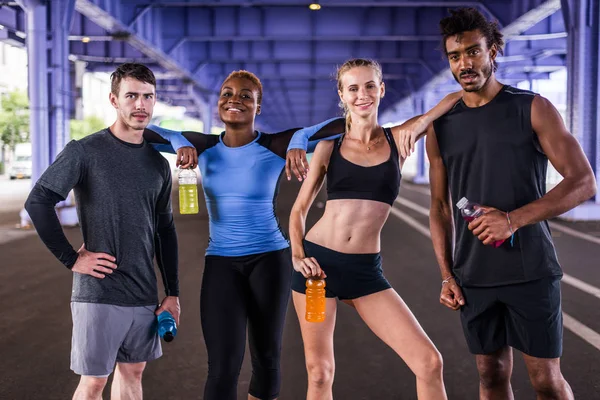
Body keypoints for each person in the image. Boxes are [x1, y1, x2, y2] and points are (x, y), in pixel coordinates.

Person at [142, 69, 438, 400]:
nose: (234, 100)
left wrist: (298, 140)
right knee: (222, 366)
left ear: (259, 107)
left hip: (270, 259)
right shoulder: (203, 146)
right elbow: (142, 128)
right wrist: (179, 139)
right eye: (227, 93)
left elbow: (347, 122)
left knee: (267, 360)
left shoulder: (274, 145)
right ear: (218, 103)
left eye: (245, 96)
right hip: (221, 262)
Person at [426, 8, 596, 400]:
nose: (464, 64)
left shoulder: (532, 107)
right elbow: (439, 206)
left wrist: (513, 220)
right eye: (455, 56)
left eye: (473, 52)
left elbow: (583, 181)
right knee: (490, 375)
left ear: (493, 51)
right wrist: (446, 274)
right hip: (473, 274)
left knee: (546, 382)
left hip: (530, 269)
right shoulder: (442, 124)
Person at [289, 58, 462, 400]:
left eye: (370, 86)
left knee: (429, 362)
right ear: (342, 95)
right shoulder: (329, 148)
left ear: (381, 90)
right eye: (352, 88)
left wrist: (428, 117)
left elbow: (450, 101)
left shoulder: (399, 140)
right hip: (317, 273)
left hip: (365, 273)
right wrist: (297, 255)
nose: (362, 94)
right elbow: (298, 210)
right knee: (320, 373)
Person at [24, 63, 184, 400]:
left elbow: (164, 230)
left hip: (143, 290)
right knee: (94, 381)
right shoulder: (85, 151)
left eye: (148, 97)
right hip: (99, 291)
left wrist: (172, 292)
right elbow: (39, 201)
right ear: (114, 99)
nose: (140, 105)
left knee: (134, 373)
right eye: (131, 96)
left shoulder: (158, 164)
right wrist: (71, 259)